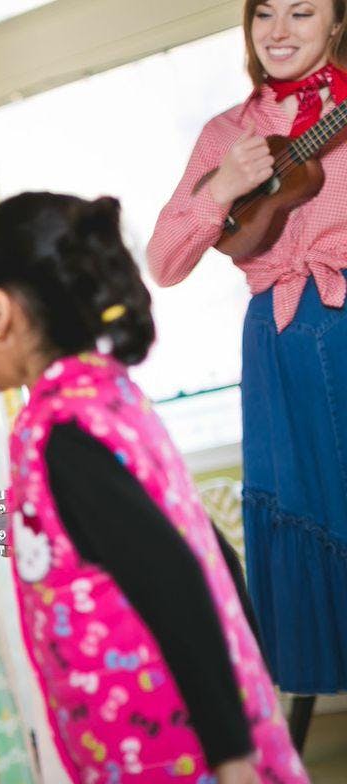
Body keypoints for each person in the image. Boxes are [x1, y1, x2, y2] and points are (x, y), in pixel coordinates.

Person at [0, 191, 311, 784]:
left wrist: (232, 748)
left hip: (164, 759)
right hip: (156, 750)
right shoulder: (108, 396)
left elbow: (176, 574)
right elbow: (206, 551)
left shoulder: (63, 432)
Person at [146, 0, 347, 705]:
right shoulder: (224, 134)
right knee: (304, 510)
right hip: (279, 341)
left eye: (303, 12)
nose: (282, 31)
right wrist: (224, 185)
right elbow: (164, 262)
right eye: (266, 14)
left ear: (337, 22)